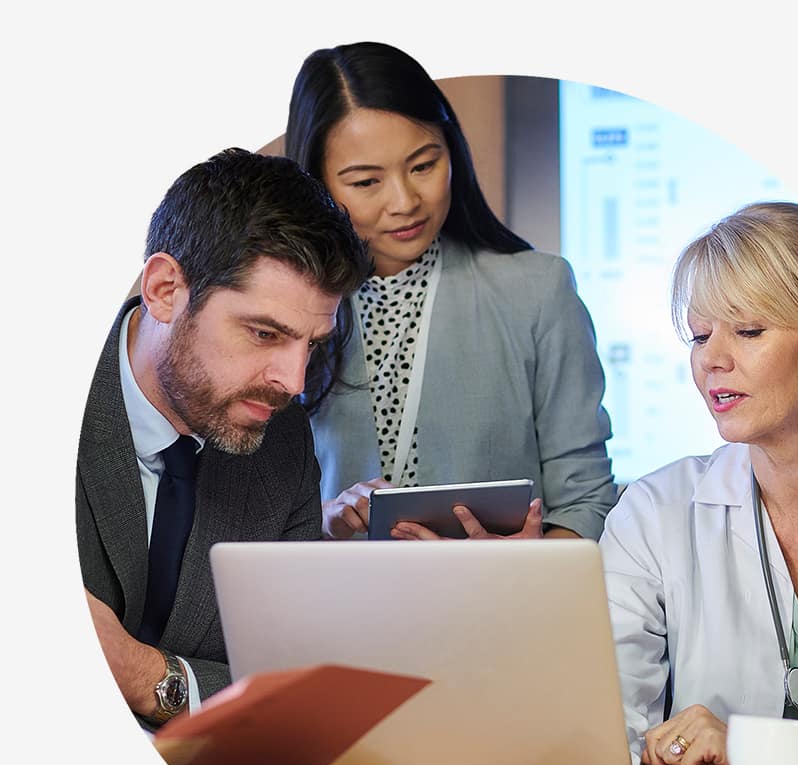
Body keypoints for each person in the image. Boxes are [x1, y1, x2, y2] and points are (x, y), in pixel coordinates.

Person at [598, 202, 798, 765]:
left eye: (748, 331)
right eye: (700, 336)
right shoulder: (653, 515)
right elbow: (600, 729)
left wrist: (755, 753)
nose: (712, 361)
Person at [76, 148, 370, 728]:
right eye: (264, 333)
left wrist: (143, 675)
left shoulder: (282, 436)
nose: (293, 381)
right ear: (164, 289)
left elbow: (287, 679)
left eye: (311, 344)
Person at [284, 42, 616, 542]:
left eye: (423, 165)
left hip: (497, 609)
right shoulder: (288, 309)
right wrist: (323, 520)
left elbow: (587, 499)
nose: (404, 202)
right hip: (338, 606)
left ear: (451, 151)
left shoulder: (537, 290)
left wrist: (534, 558)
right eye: (367, 181)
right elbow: (249, 508)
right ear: (318, 183)